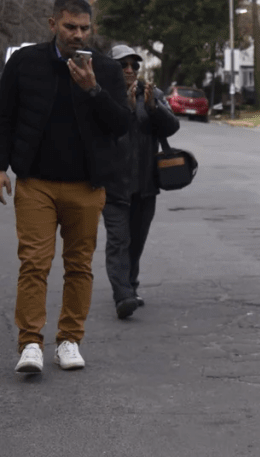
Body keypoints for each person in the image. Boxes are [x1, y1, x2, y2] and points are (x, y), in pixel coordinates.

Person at [1, 0, 131, 374]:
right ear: (52, 23)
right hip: (35, 183)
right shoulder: (24, 63)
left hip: (85, 187)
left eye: (84, 28)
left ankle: (69, 340)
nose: (77, 35)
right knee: (34, 263)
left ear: (91, 28)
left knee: (78, 266)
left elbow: (120, 125)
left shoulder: (105, 68)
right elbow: (5, 117)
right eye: (70, 27)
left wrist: (94, 89)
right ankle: (30, 343)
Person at [102, 45, 180, 319]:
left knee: (136, 242)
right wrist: (120, 107)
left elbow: (172, 127)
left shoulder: (151, 94)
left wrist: (152, 107)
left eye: (134, 65)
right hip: (113, 185)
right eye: (123, 65)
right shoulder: (102, 95)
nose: (130, 70)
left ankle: (130, 287)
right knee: (118, 241)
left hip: (146, 185)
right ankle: (122, 295)